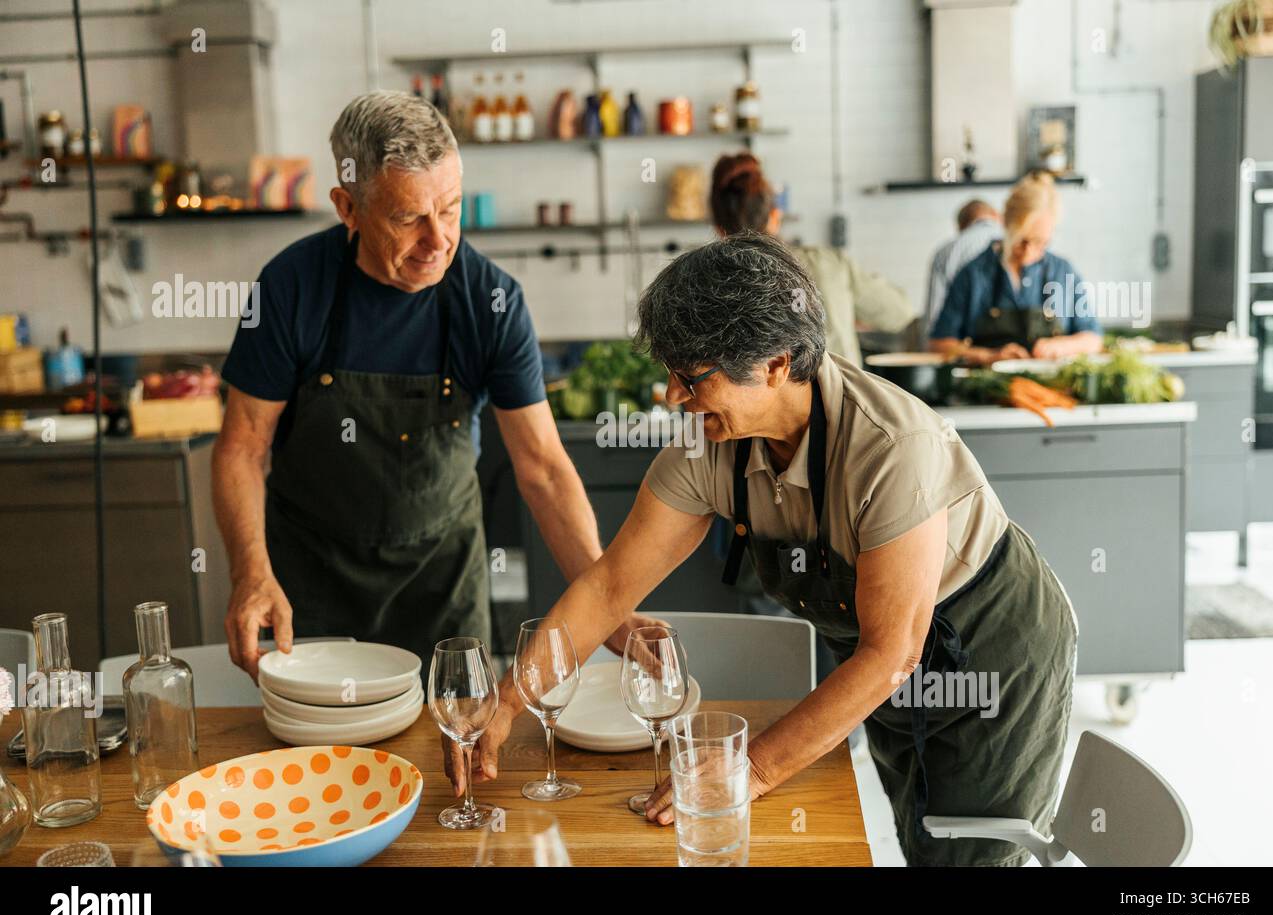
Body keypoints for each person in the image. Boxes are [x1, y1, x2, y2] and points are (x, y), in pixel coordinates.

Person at [448, 233, 1080, 867]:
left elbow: (893, 651)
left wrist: (745, 772)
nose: (673, 395)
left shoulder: (892, 449)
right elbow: (609, 586)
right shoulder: (711, 445)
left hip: (992, 659)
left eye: (692, 376)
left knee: (969, 853)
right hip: (891, 669)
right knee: (921, 834)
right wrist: (507, 700)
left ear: (776, 364)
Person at [214, 91, 652, 684]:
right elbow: (242, 447)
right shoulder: (290, 289)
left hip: (442, 590)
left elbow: (543, 469)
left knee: (454, 762)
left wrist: (608, 599)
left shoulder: (491, 300)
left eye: (450, 209)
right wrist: (250, 573)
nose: (439, 238)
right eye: (407, 218)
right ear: (348, 208)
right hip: (312, 592)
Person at [710, 153, 913, 368]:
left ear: (717, 227)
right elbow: (899, 313)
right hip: (836, 398)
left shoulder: (710, 284)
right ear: (775, 216)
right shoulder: (828, 265)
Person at [930, 172, 1103, 366]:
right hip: (987, 390)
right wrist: (988, 356)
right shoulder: (973, 274)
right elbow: (940, 344)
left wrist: (1061, 346)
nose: (1028, 252)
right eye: (1021, 240)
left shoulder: (1063, 272)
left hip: (1052, 390)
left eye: (1039, 242)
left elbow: (1093, 338)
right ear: (1005, 224)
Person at [924, 199, 1002, 330]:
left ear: (961, 227)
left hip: (964, 343)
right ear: (997, 215)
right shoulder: (1020, 245)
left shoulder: (946, 252)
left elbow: (934, 315)